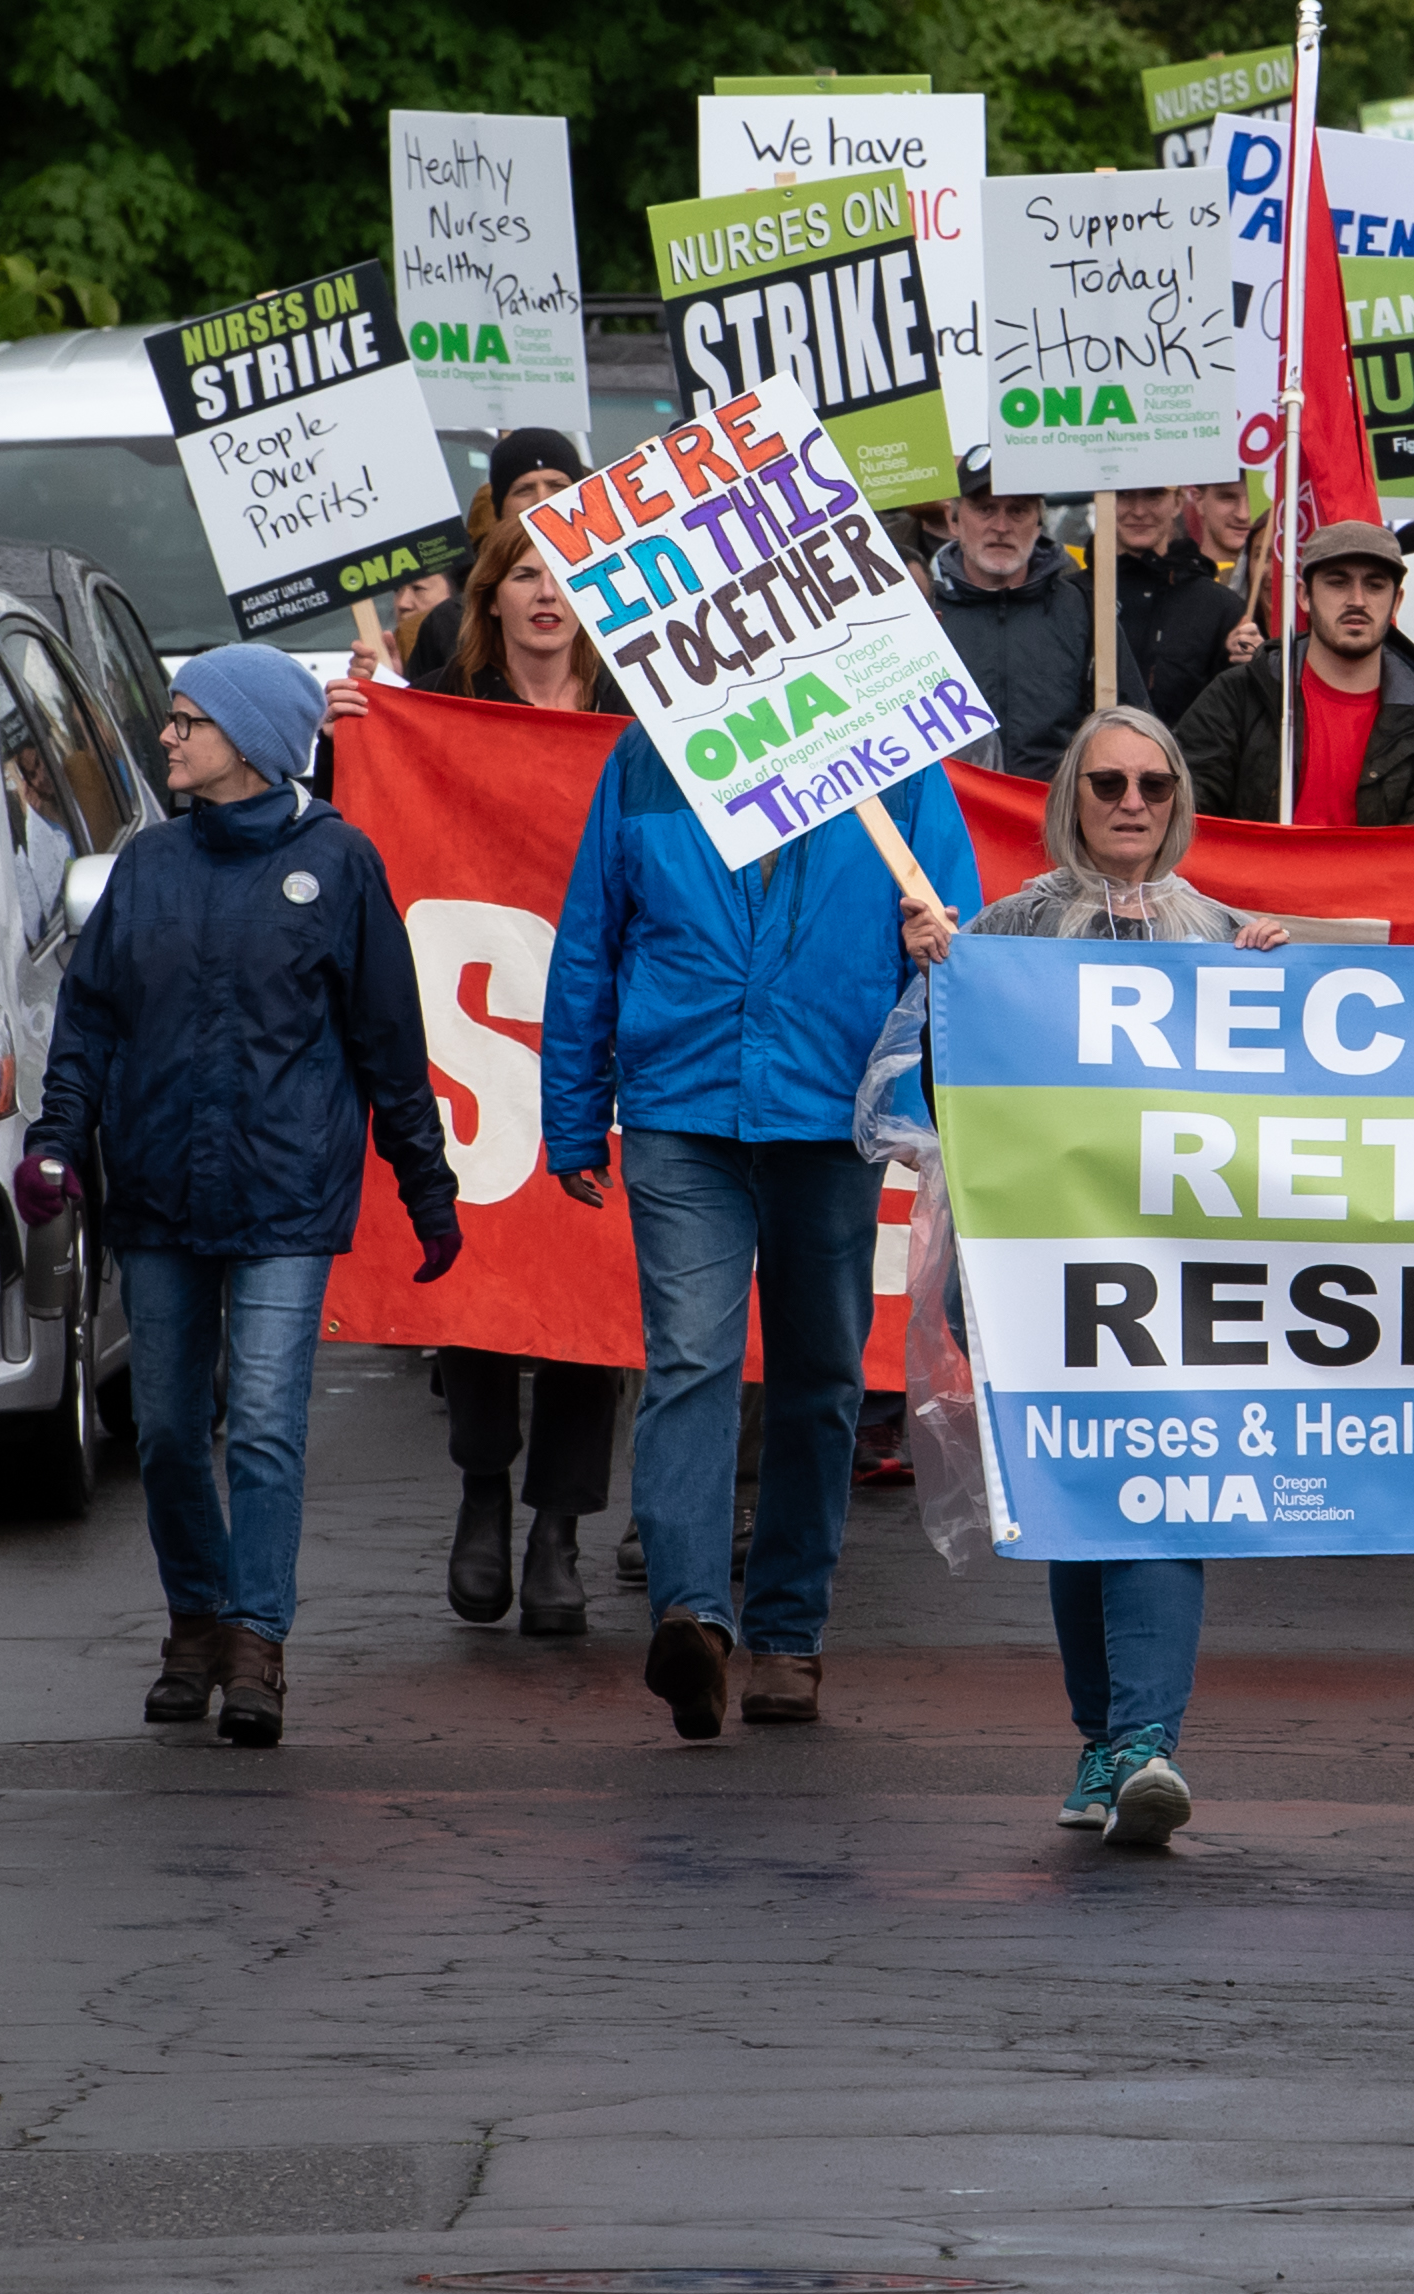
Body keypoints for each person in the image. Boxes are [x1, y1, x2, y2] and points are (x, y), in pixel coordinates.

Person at [540, 619, 979, 1743]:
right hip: (683, 1108)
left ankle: (788, 1632)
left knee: (822, 1376)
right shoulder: (643, 756)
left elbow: (958, 950)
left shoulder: (896, 762)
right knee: (690, 1357)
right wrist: (573, 1111)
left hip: (827, 1111)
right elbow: (590, 935)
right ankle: (695, 1617)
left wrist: (944, 937)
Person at [23, 647, 462, 1746]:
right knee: (172, 1430)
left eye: (187, 721)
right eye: (171, 721)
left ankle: (258, 1644)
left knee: (263, 1424)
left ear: (255, 741)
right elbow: (88, 1027)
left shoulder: (341, 864)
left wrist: (426, 1184)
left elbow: (387, 1041)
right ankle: (195, 1624)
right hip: (161, 1192)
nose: (167, 738)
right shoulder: (149, 866)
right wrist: (57, 1141)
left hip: (286, 1192)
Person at [952, 706, 1292, 1847]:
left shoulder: (1227, 935)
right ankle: (1105, 1737)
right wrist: (943, 982)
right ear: (1071, 796)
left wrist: (1273, 992)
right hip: (1036, 1263)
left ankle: (1141, 1742)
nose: (1133, 802)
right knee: (1081, 1492)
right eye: (1108, 783)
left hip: (1182, 1273)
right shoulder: (1003, 931)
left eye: (1154, 782)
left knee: (1164, 1478)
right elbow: (915, 1090)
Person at [335, 523, 636, 1636]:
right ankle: (479, 1492)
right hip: (473, 1042)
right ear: (490, 599)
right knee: (478, 1273)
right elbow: (367, 834)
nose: (546, 594)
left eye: (565, 577)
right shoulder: (438, 717)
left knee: (590, 1281)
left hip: (599, 1034)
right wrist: (354, 736)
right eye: (523, 574)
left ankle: (558, 1524)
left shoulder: (639, 733)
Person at [1170, 520, 1414, 825]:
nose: (1357, 600)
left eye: (1375, 584)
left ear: (1396, 601)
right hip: (1254, 873)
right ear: (1304, 596)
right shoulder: (1236, 697)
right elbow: (1185, 817)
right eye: (1337, 582)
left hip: (1377, 876)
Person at [929, 452, 1095, 778]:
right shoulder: (922, 612)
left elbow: (1127, 714)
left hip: (1052, 817)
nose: (1001, 527)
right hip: (949, 817)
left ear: (1038, 522)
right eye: (985, 509)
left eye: (1018, 510)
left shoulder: (1081, 610)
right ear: (953, 520)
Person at [406, 427, 591, 683]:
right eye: (524, 489)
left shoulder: (619, 592)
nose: (541, 500)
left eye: (556, 486)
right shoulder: (447, 623)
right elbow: (420, 713)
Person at [1099, 485, 1248, 724]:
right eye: (1123, 494)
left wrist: (1255, 662)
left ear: (1178, 502)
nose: (1139, 511)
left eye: (1153, 494)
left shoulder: (1221, 606)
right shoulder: (1074, 598)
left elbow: (1232, 722)